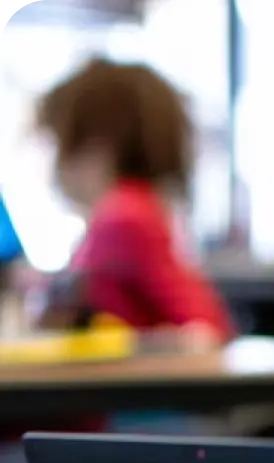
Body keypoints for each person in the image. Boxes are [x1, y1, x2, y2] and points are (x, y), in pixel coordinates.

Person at [28, 57, 233, 349]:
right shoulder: (129, 209)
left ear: (95, 145)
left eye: (55, 141)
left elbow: (204, 327)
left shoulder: (123, 213)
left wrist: (136, 345)